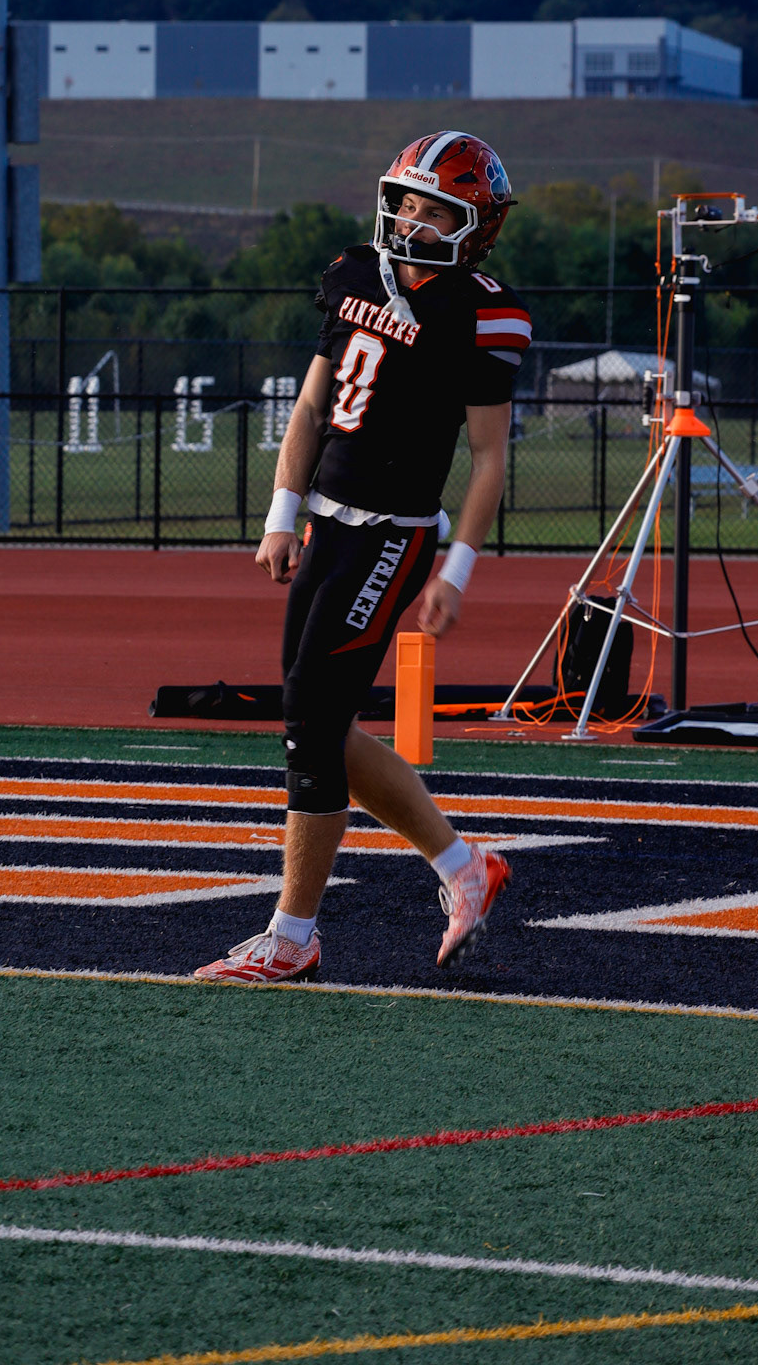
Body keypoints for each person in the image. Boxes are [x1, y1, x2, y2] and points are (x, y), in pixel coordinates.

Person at [195, 129, 532, 985]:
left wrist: (456, 569)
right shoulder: (353, 275)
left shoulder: (484, 310)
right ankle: (463, 867)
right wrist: (281, 513)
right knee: (319, 721)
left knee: (310, 725)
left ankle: (292, 935)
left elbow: (488, 458)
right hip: (326, 525)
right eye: (406, 204)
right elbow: (312, 409)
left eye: (434, 211)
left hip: (392, 532)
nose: (412, 222)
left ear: (476, 226)